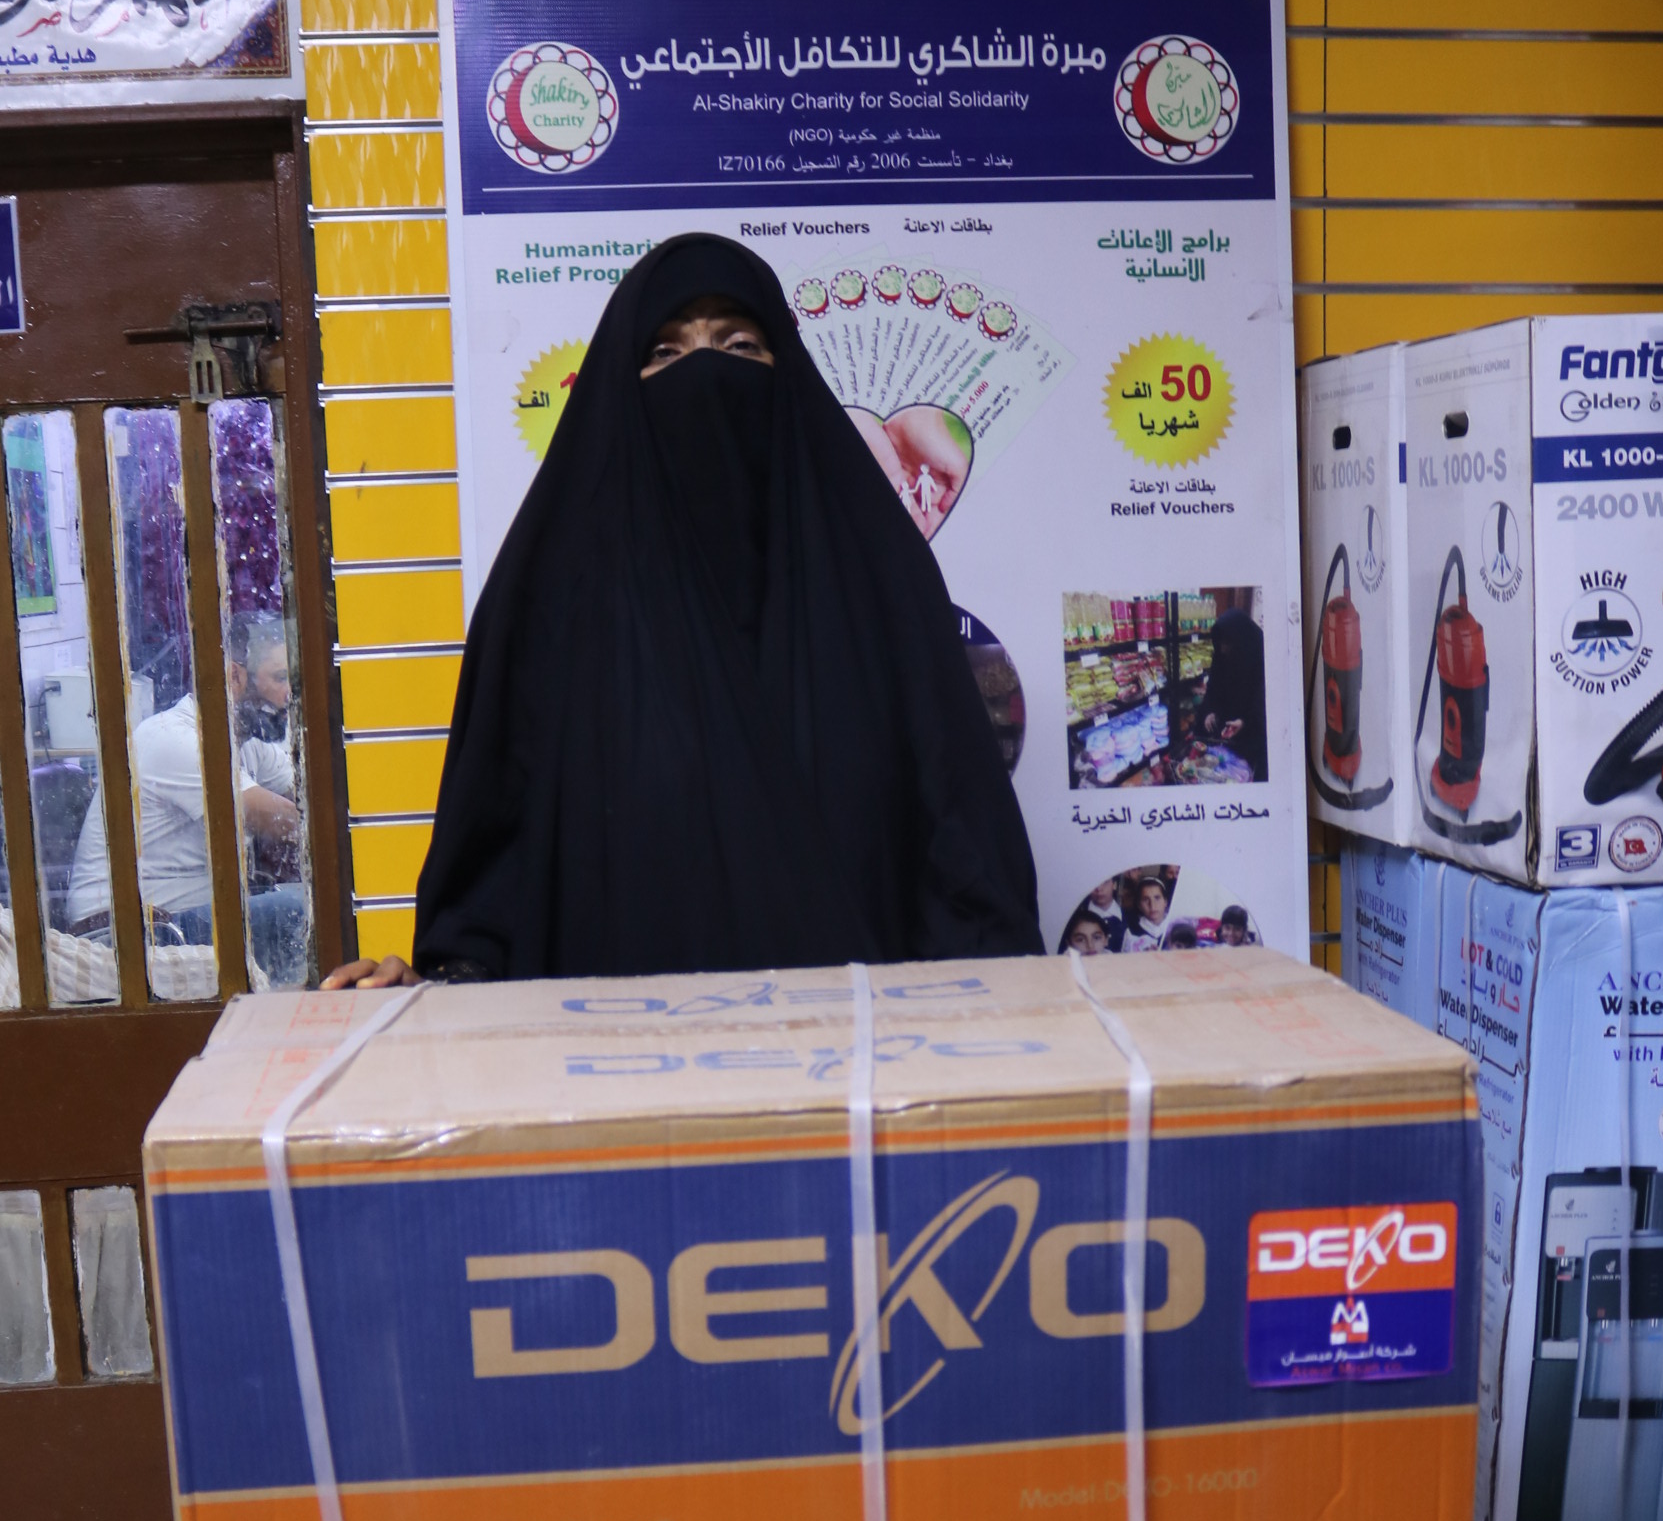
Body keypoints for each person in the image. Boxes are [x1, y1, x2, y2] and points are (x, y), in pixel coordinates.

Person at [325, 233, 1040, 988]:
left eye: (740, 345)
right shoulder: (546, 608)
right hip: (616, 1054)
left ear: (790, 376)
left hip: (864, 1054)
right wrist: (437, 990)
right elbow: (492, 889)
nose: (705, 373)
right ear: (615, 388)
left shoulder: (883, 593)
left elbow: (968, 870)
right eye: (664, 352)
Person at [64, 619, 306, 982]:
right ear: (234, 677)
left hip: (181, 916)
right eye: (281, 677)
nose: (291, 693)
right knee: (303, 908)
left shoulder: (247, 744)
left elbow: (304, 796)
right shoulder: (176, 740)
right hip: (125, 931)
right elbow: (286, 821)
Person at [1196, 606, 1269, 779]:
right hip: (1225, 727)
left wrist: (1244, 722)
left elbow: (1263, 702)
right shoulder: (1221, 656)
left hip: (1252, 730)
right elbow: (1213, 688)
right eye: (1220, 643)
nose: (1222, 649)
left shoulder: (1261, 656)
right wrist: (1210, 711)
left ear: (1240, 641)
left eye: (1227, 643)